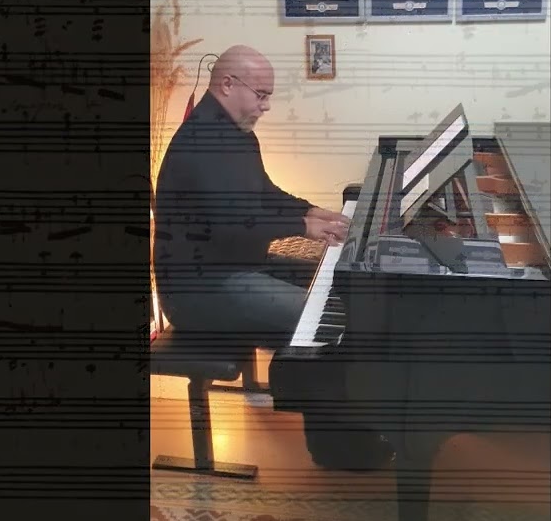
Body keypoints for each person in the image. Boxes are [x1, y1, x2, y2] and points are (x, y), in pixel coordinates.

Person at [154, 44, 394, 471]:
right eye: (261, 95)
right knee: (325, 321)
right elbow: (232, 224)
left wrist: (312, 210)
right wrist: (303, 227)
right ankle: (338, 449)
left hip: (235, 265)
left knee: (337, 289)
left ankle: (353, 422)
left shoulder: (236, 133)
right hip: (198, 290)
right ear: (227, 84)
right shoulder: (200, 142)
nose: (266, 105)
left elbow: (264, 194)